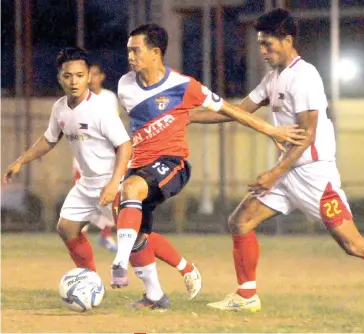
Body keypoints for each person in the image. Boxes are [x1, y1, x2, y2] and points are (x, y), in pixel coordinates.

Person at [189, 9, 364, 312]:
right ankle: (246, 296)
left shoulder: (305, 76)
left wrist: (274, 173)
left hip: (314, 176)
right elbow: (238, 111)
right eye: (260, 45)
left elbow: (308, 135)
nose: (262, 52)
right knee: (240, 221)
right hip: (287, 173)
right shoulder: (273, 78)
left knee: (354, 245)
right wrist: (187, 117)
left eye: (268, 45)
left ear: (287, 41)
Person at [110, 23, 306, 310]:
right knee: (137, 232)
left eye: (135, 50)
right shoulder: (125, 85)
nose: (129, 55)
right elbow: (153, 120)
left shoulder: (183, 86)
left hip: (172, 163)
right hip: (139, 165)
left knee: (130, 191)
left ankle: (118, 260)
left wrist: (271, 131)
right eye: (128, 50)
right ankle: (158, 294)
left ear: (155, 52)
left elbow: (229, 109)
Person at [2, 47, 132, 273]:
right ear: (59, 77)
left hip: (113, 180)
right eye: (68, 75)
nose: (74, 81)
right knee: (66, 228)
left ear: (88, 77)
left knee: (136, 236)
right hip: (87, 182)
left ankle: (182, 269)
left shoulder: (101, 108)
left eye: (80, 76)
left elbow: (125, 145)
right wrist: (20, 161)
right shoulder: (60, 107)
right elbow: (49, 139)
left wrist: (114, 183)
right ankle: (90, 278)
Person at [75, 63, 122, 252]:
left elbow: (113, 124)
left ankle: (105, 234)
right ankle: (79, 236)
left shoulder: (110, 98)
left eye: (95, 74)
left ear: (101, 77)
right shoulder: (80, 98)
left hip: (107, 155)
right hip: (85, 154)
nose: (92, 78)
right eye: (89, 75)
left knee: (114, 194)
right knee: (82, 195)